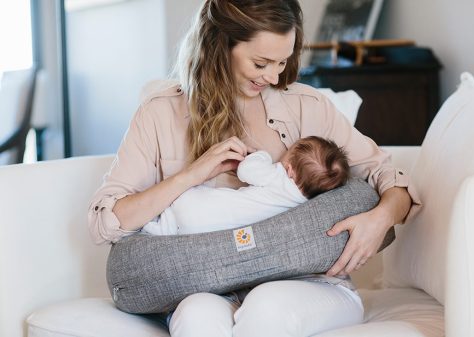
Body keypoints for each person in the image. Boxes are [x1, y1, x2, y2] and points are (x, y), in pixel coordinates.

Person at [88, 0, 420, 336]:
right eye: (261, 63)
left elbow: (390, 179)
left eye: (282, 61)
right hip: (205, 284)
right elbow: (107, 223)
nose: (274, 76)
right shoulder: (159, 115)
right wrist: (192, 175)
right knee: (195, 317)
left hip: (308, 283)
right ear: (220, 47)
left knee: (267, 307)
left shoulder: (307, 107)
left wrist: (380, 219)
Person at [142, 136, 350, 236]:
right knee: (172, 225)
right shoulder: (302, 204)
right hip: (209, 231)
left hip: (196, 208)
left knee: (189, 198)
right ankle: (159, 228)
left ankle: (154, 225)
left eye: (288, 154)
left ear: (290, 171)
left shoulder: (279, 177)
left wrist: (261, 155)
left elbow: (246, 171)